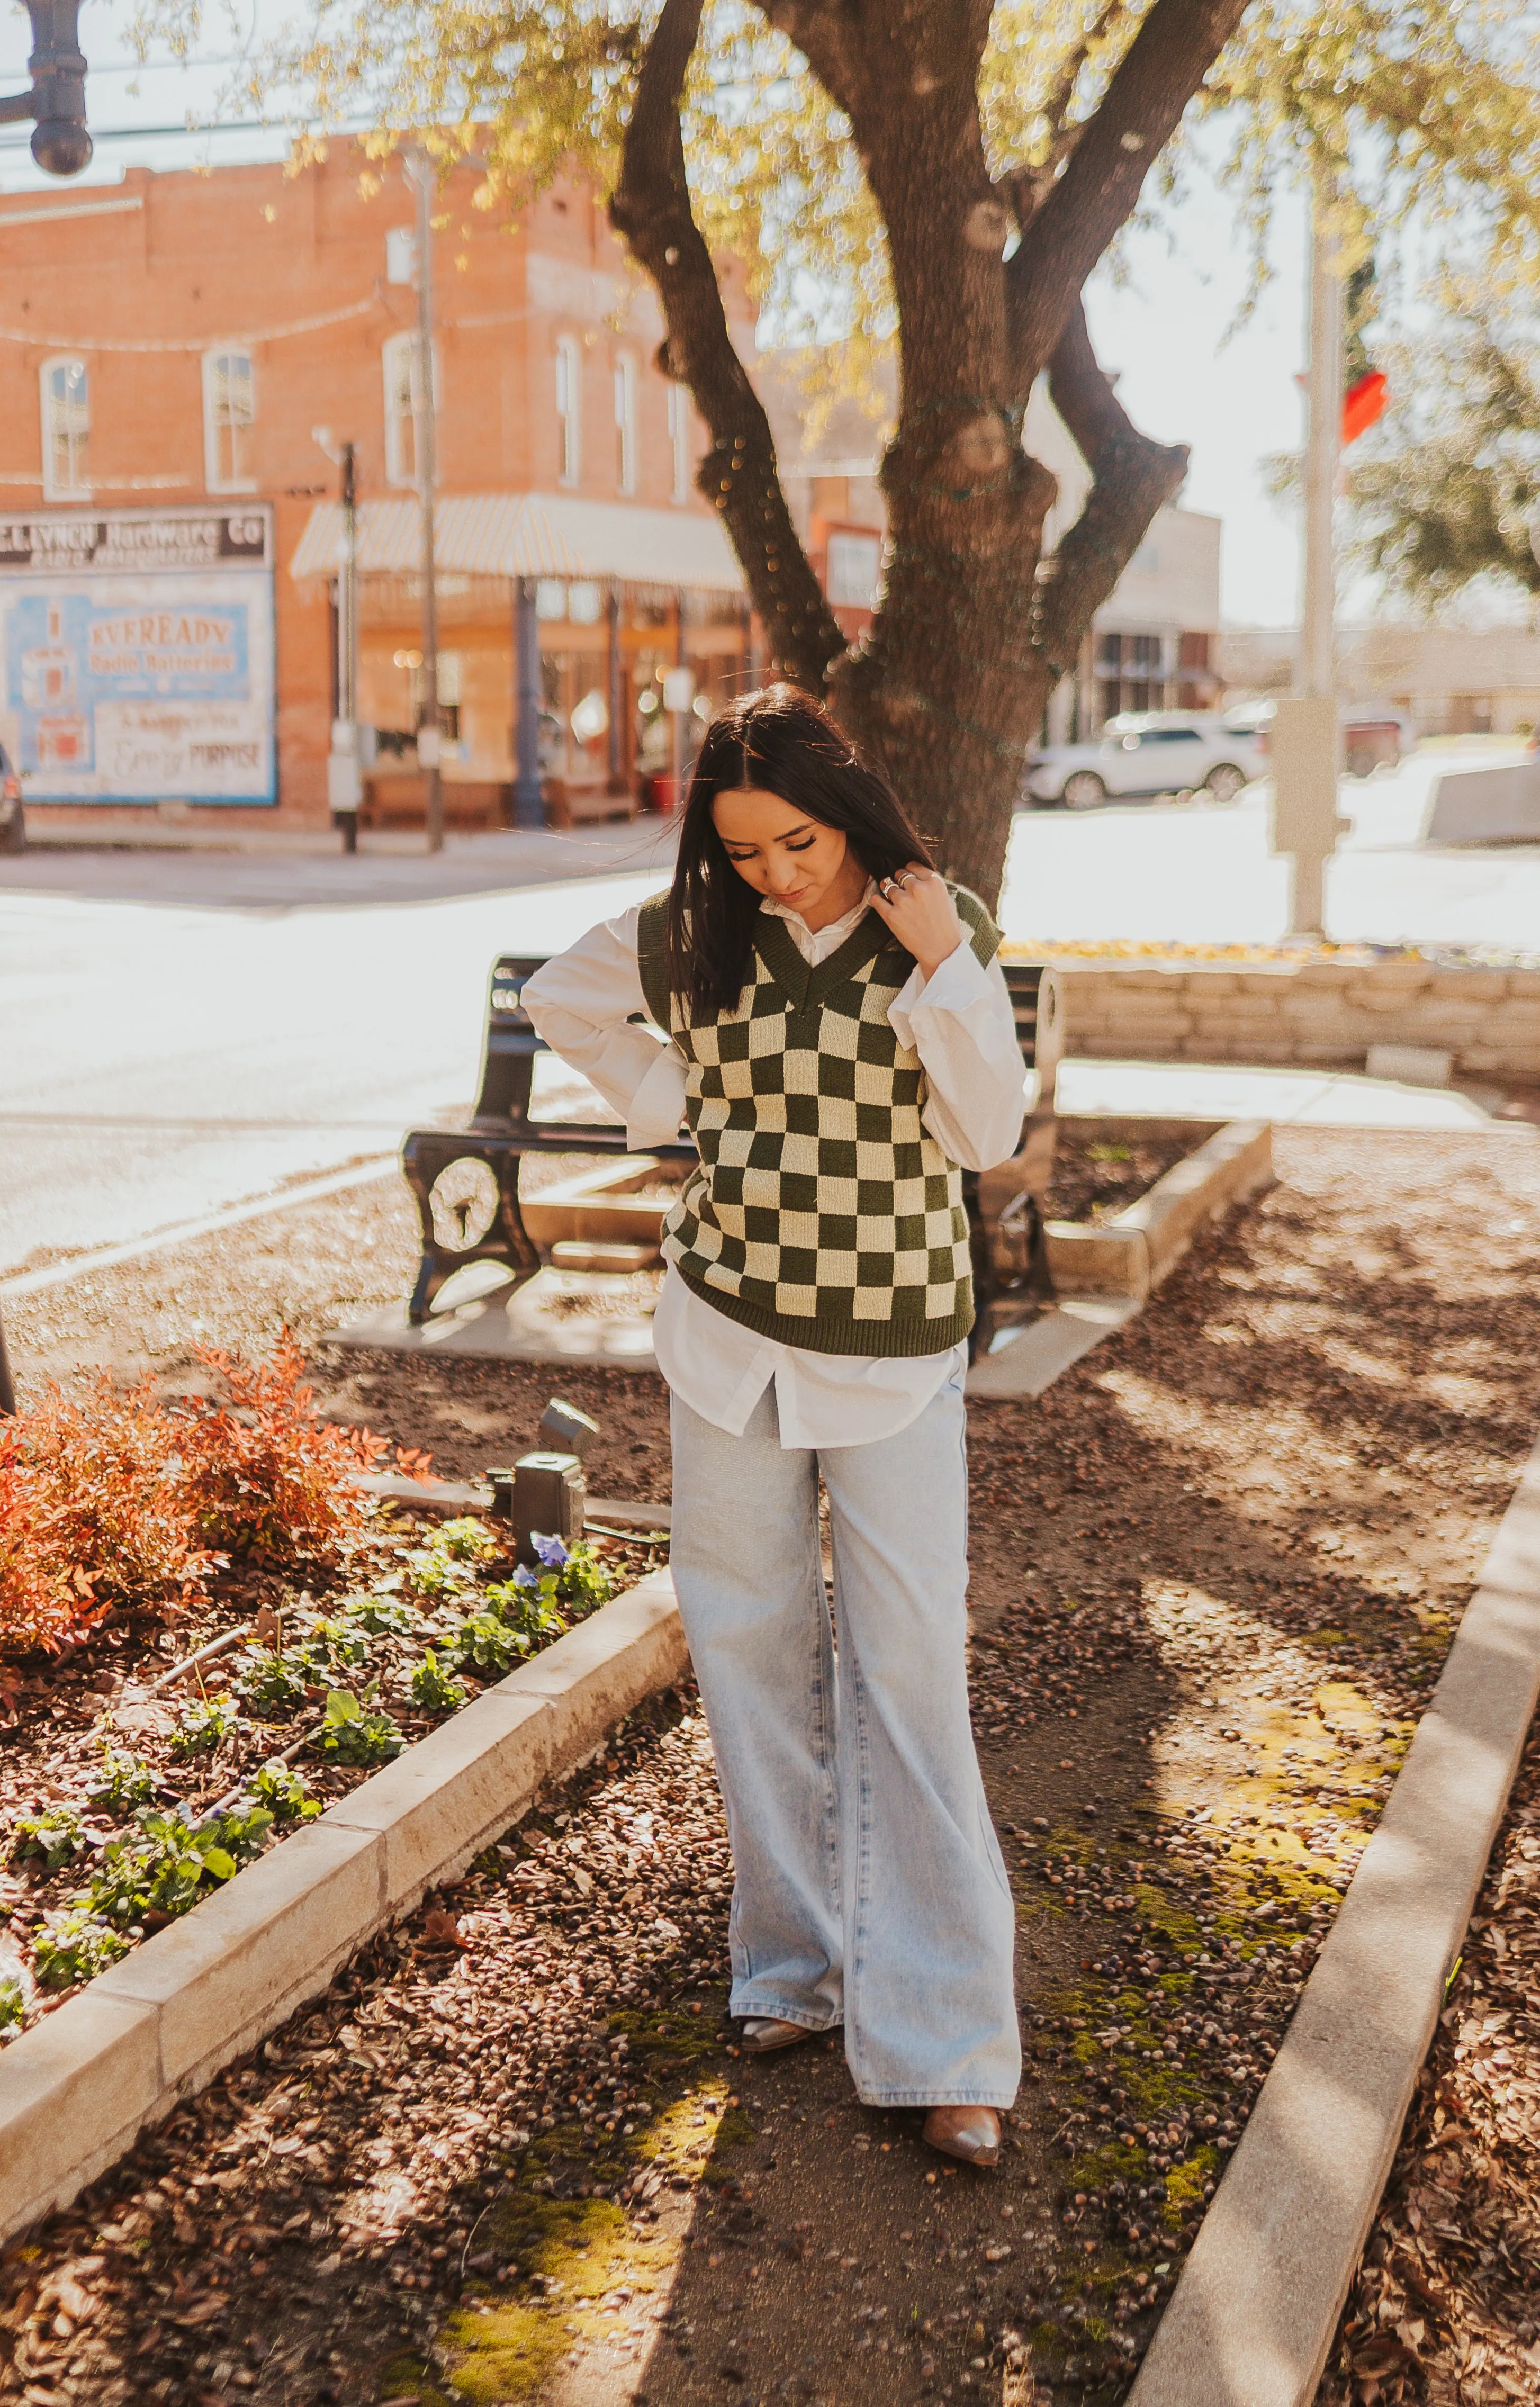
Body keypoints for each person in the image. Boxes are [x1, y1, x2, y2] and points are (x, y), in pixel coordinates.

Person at [523, 685, 1026, 2166]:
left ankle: (946, 2038)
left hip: (890, 1347)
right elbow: (564, 996)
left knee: (908, 1664)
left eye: (794, 843)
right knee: (744, 1644)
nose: (772, 874)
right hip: (725, 1334)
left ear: (845, 810)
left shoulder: (939, 922)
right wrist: (673, 1097)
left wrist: (946, 969)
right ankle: (792, 1972)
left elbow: (986, 1132)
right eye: (742, 850)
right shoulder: (689, 931)